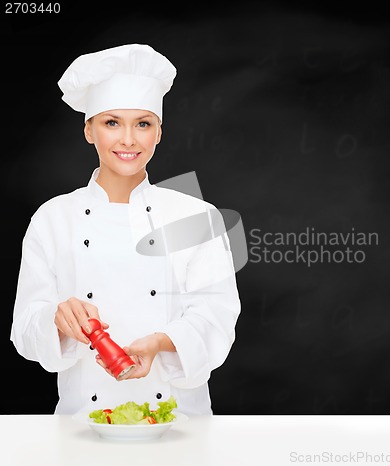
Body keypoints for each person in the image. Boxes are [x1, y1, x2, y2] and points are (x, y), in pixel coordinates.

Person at [10, 43, 241, 416]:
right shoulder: (53, 218)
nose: (129, 140)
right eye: (112, 122)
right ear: (89, 130)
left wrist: (159, 342)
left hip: (177, 420)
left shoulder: (196, 215)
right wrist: (56, 319)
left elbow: (216, 317)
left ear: (159, 133)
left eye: (143, 124)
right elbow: (25, 331)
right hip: (83, 420)